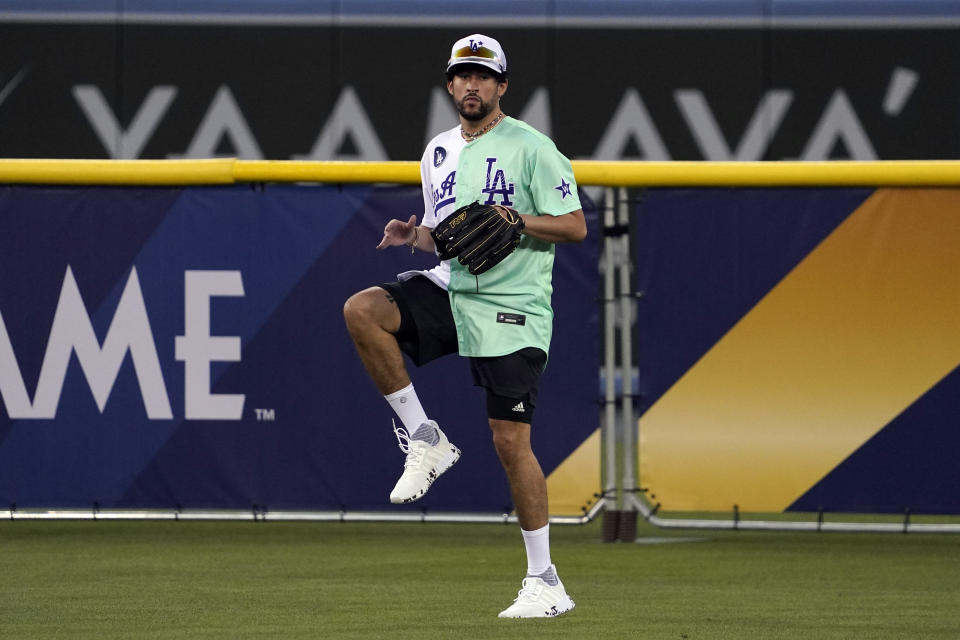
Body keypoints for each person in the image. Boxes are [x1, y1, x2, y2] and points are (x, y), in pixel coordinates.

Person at [342, 33, 586, 618]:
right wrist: (415, 236)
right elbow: (446, 233)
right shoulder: (437, 152)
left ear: (502, 86)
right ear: (450, 85)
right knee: (362, 310)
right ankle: (424, 438)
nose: (472, 84)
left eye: (484, 75)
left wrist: (517, 219)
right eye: (462, 74)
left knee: (510, 443)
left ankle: (545, 581)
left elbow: (574, 225)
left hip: (515, 304)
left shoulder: (532, 147)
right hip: (455, 288)